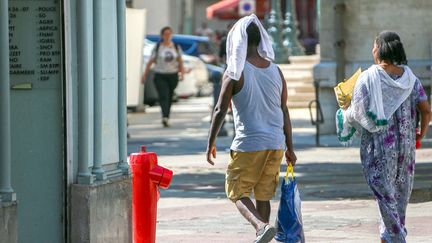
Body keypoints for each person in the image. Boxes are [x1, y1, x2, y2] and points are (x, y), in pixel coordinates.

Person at [206, 15, 297, 243]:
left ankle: (260, 227)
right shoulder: (276, 71)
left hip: (250, 144)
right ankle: (264, 232)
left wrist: (210, 143)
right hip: (276, 143)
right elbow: (284, 110)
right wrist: (290, 148)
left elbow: (219, 110)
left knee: (236, 190)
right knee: (263, 194)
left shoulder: (234, 72)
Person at [337, 31, 431, 243]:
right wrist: (421, 134)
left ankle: (398, 238)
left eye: (374, 45)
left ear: (379, 49)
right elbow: (426, 109)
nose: (372, 50)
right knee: (398, 198)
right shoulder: (410, 78)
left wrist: (344, 109)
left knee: (385, 196)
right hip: (406, 148)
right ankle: (387, 238)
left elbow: (357, 115)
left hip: (378, 149)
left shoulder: (368, 78)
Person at [141, 26, 185, 127]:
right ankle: (164, 117)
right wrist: (144, 75)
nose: (167, 36)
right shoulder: (158, 47)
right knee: (163, 95)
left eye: (169, 34)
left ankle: (167, 116)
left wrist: (182, 73)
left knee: (169, 96)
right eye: (165, 34)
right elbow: (150, 62)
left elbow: (180, 61)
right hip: (160, 75)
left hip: (172, 75)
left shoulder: (176, 46)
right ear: (162, 35)